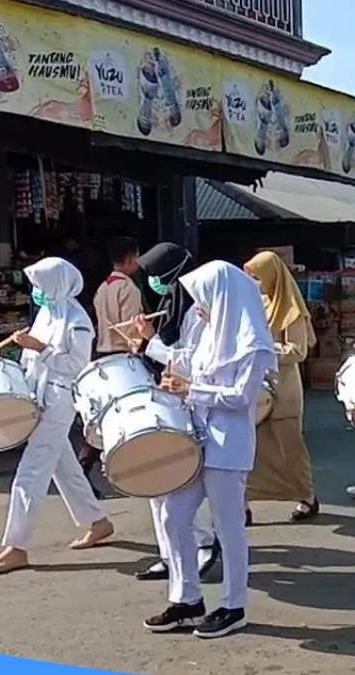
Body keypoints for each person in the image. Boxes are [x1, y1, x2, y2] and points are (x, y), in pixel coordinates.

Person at [138, 260, 276, 639]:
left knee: (228, 527)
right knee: (173, 516)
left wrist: (191, 390)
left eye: (204, 298)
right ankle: (187, 599)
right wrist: (152, 347)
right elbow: (189, 362)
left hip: (228, 445)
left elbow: (241, 396)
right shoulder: (212, 332)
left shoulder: (254, 344)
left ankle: (235, 605)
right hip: (196, 437)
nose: (199, 306)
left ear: (224, 297)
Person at [0, 257, 115, 575]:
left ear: (56, 285)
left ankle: (16, 546)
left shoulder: (77, 320)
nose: (36, 291)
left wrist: (41, 348)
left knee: (31, 472)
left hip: (60, 400)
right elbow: (33, 358)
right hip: (40, 396)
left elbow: (77, 366)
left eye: (40, 285)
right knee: (62, 465)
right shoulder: (47, 314)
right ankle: (97, 521)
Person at [130, 243, 219, 583]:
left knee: (180, 481)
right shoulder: (172, 304)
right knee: (156, 482)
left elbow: (191, 361)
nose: (152, 282)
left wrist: (151, 341)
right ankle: (168, 554)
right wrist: (145, 343)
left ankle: (202, 544)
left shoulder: (198, 312)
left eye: (156, 275)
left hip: (190, 400)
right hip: (168, 397)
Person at [242, 250, 319, 522]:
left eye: (257, 277)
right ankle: (244, 504)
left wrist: (266, 350)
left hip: (284, 389)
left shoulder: (291, 310)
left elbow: (298, 351)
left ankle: (307, 497)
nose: (254, 282)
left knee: (290, 450)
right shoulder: (255, 302)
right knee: (254, 450)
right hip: (257, 390)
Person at [76, 236, 145, 496]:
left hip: (102, 355)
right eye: (137, 257)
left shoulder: (103, 287)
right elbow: (131, 329)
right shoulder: (128, 288)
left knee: (101, 417)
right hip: (123, 357)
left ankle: (84, 468)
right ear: (129, 259)